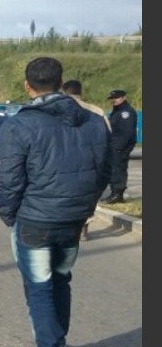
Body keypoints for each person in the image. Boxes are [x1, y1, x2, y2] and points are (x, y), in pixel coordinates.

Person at [0, 57, 111, 347]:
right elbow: (104, 170)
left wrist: (9, 214)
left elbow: (10, 178)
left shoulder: (19, 124)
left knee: (40, 286)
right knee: (60, 280)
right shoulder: (92, 121)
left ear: (27, 86)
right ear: (61, 83)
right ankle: (55, 343)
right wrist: (87, 206)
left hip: (36, 218)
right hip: (74, 218)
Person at [61, 79, 111, 240]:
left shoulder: (57, 109)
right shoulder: (97, 111)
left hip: (64, 161)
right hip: (91, 163)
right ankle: (84, 226)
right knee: (88, 196)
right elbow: (108, 139)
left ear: (64, 92)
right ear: (81, 93)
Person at [102, 89, 137, 204]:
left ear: (123, 97)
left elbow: (127, 133)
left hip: (120, 147)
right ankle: (115, 193)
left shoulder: (126, 112)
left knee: (118, 170)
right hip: (114, 145)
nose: (113, 100)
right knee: (114, 169)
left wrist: (117, 147)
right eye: (112, 98)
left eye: (116, 98)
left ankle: (117, 194)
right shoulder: (117, 111)